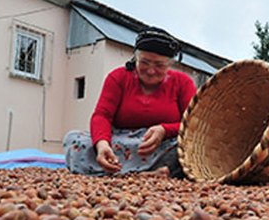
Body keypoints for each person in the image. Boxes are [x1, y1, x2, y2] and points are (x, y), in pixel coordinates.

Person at [63, 27, 197, 178]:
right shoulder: (118, 77)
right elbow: (102, 116)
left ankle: (120, 174)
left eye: (159, 65)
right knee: (74, 139)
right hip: (121, 141)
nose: (151, 71)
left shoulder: (183, 83)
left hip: (162, 145)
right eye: (145, 62)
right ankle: (144, 173)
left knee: (186, 148)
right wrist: (102, 144)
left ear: (169, 65)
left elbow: (192, 124)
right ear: (136, 58)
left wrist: (164, 130)